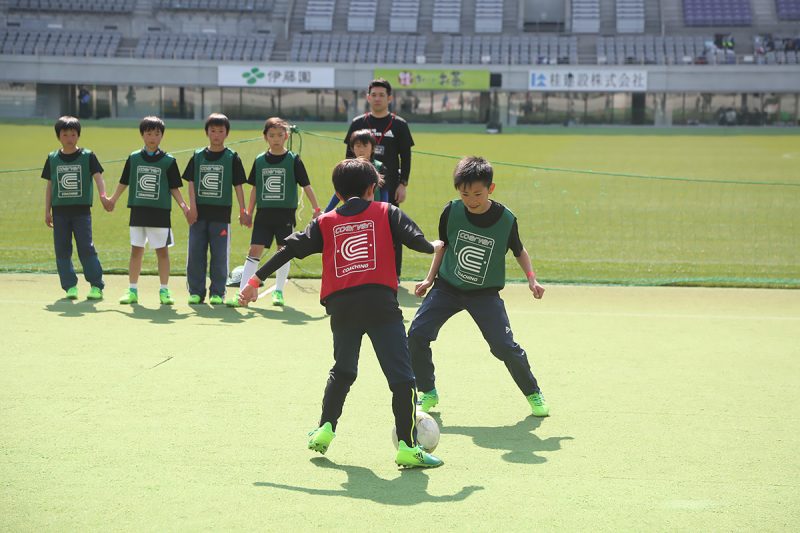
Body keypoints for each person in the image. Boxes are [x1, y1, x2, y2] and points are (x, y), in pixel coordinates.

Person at [239, 158, 444, 468]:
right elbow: (420, 244)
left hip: (342, 306)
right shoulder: (387, 212)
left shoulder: (325, 222)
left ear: (337, 190)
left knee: (344, 370)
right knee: (402, 378)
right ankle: (407, 445)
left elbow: (288, 249)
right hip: (379, 304)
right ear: (372, 188)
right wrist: (436, 245)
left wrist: (255, 280)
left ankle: (325, 429)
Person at [408, 156, 550, 418]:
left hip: (484, 294)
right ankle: (427, 392)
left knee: (504, 347)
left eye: (477, 193)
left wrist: (532, 278)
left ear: (490, 189)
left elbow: (519, 251)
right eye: (465, 194)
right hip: (447, 287)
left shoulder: (506, 219)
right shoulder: (451, 211)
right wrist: (429, 279)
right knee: (416, 335)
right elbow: (443, 247)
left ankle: (533, 392)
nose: (471, 200)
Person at [226, 117, 321, 308]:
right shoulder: (260, 160)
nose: (276, 139)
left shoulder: (293, 160)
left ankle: (278, 291)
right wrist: (248, 211)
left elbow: (306, 185)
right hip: (264, 214)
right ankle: (242, 292)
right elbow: (254, 188)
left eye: (279, 135)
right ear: (265, 137)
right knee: (254, 251)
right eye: (271, 135)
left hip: (285, 214)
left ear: (286, 136)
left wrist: (316, 208)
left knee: (282, 251)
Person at [107, 116, 191, 305]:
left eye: (156, 133)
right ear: (142, 135)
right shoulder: (134, 158)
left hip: (160, 213)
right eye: (149, 133)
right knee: (136, 251)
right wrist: (113, 199)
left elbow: (174, 188)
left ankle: (164, 290)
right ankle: (132, 290)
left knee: (162, 253)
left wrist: (184, 207)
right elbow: (124, 181)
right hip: (138, 211)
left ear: (162, 136)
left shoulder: (169, 161)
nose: (152, 137)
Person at [344, 79, 414, 279]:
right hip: (359, 189)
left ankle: (394, 274)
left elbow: (406, 158)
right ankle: (360, 272)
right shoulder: (358, 123)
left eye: (381, 95)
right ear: (368, 97)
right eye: (373, 94)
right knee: (359, 229)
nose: (377, 98)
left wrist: (403, 184)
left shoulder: (399, 125)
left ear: (389, 98)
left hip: (388, 188)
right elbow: (348, 157)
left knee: (391, 229)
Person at [182, 113, 249, 305]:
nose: (216, 135)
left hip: (221, 215)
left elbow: (238, 186)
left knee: (219, 256)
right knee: (196, 253)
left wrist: (243, 210)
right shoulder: (197, 156)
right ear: (207, 133)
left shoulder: (232, 157)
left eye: (221, 131)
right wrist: (191, 207)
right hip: (198, 215)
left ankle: (218, 292)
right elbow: (191, 183)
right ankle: (196, 291)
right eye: (213, 131)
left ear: (227, 133)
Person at [41, 116, 110, 300]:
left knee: (86, 248)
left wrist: (103, 196)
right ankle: (70, 286)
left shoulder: (88, 156)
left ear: (78, 135)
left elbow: (98, 177)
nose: (69, 138)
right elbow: (50, 186)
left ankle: (96, 285)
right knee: (62, 249)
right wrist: (47, 210)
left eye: (73, 134)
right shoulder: (52, 158)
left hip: (81, 212)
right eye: (65, 134)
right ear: (59, 136)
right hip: (60, 212)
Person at [324, 129, 387, 212]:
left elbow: (384, 191)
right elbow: (340, 191)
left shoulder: (380, 167)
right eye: (358, 146)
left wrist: (385, 211)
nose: (361, 149)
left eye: (365, 146)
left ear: (373, 148)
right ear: (352, 148)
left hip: (374, 213)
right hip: (352, 213)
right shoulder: (348, 168)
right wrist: (326, 212)